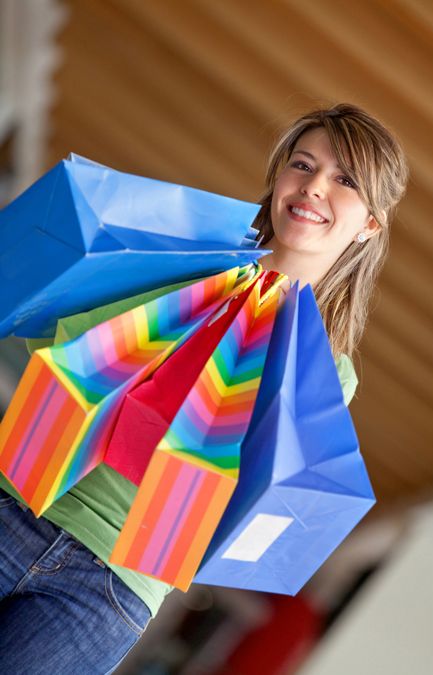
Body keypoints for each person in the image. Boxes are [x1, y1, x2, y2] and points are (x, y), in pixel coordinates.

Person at [0, 102, 408, 673]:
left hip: (108, 590)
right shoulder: (184, 254)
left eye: (344, 180)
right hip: (13, 500)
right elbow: (52, 325)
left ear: (370, 222)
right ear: (278, 177)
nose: (314, 187)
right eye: (303, 164)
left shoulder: (327, 374)